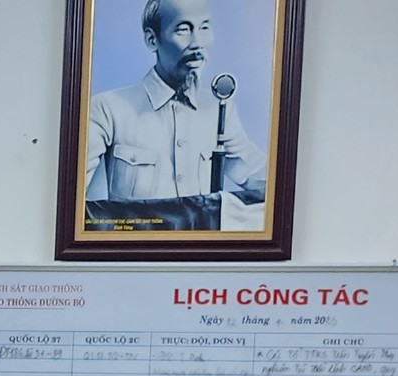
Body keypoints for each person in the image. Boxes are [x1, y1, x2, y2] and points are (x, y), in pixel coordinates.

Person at [83, 0, 267, 230]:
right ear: (152, 40)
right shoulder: (107, 108)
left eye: (204, 27)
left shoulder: (219, 109)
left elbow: (262, 179)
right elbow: (72, 200)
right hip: (136, 250)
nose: (198, 43)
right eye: (183, 29)